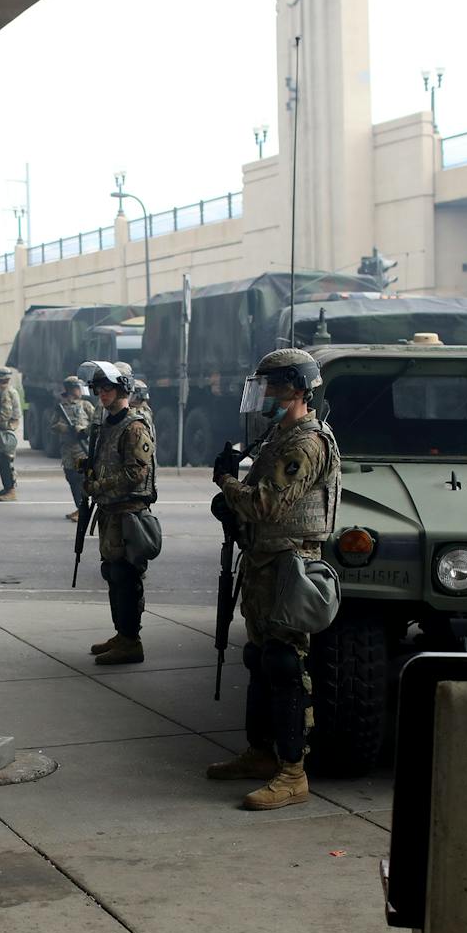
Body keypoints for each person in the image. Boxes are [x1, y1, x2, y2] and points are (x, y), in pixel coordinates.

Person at [206, 348, 340, 811]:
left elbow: (267, 505)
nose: (265, 396)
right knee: (260, 658)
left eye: (274, 388)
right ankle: (261, 754)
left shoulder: (305, 443)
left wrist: (227, 483)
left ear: (298, 390)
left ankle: (292, 773)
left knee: (285, 664)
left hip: (290, 566)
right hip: (264, 561)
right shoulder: (278, 436)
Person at [83, 362, 157, 666]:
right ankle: (122, 633)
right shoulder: (108, 425)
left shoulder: (134, 426)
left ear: (123, 389)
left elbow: (137, 473)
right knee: (112, 573)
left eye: (108, 388)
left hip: (129, 513)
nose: (102, 394)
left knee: (125, 575)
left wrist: (101, 484)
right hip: (110, 511)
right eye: (98, 389)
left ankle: (131, 640)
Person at [51, 375, 96, 521]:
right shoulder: (61, 407)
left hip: (82, 449)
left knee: (81, 479)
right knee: (71, 477)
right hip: (67, 449)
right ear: (71, 389)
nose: (80, 391)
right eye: (78, 388)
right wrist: (65, 429)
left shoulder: (86, 405)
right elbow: (53, 425)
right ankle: (79, 508)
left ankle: (84, 510)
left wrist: (81, 430)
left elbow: (96, 424)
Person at [0, 367, 21, 501]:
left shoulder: (5, 392)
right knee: (2, 460)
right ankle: (7, 488)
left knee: (5, 461)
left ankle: (11, 490)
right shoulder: (3, 391)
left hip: (7, 431)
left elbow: (5, 414)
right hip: (4, 431)